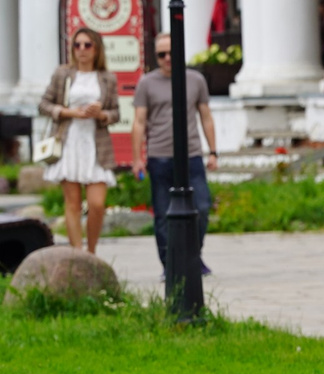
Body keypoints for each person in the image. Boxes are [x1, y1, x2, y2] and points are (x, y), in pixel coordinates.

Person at [134, 31, 216, 296]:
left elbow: (205, 116)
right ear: (156, 56)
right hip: (160, 156)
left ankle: (193, 255)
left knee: (201, 207)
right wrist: (137, 158)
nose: (168, 58)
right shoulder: (147, 83)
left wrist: (213, 151)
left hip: (191, 155)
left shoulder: (195, 79)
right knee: (163, 214)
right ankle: (170, 265)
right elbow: (139, 122)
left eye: (172, 52)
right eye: (161, 54)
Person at [40, 27, 118, 254]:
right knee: (72, 204)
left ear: (96, 49)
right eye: (77, 45)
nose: (82, 50)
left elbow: (115, 113)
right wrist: (69, 112)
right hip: (69, 141)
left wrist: (100, 114)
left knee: (97, 204)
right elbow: (44, 104)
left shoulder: (107, 78)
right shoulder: (62, 74)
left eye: (87, 45)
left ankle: (91, 252)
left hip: (95, 144)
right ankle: (77, 252)